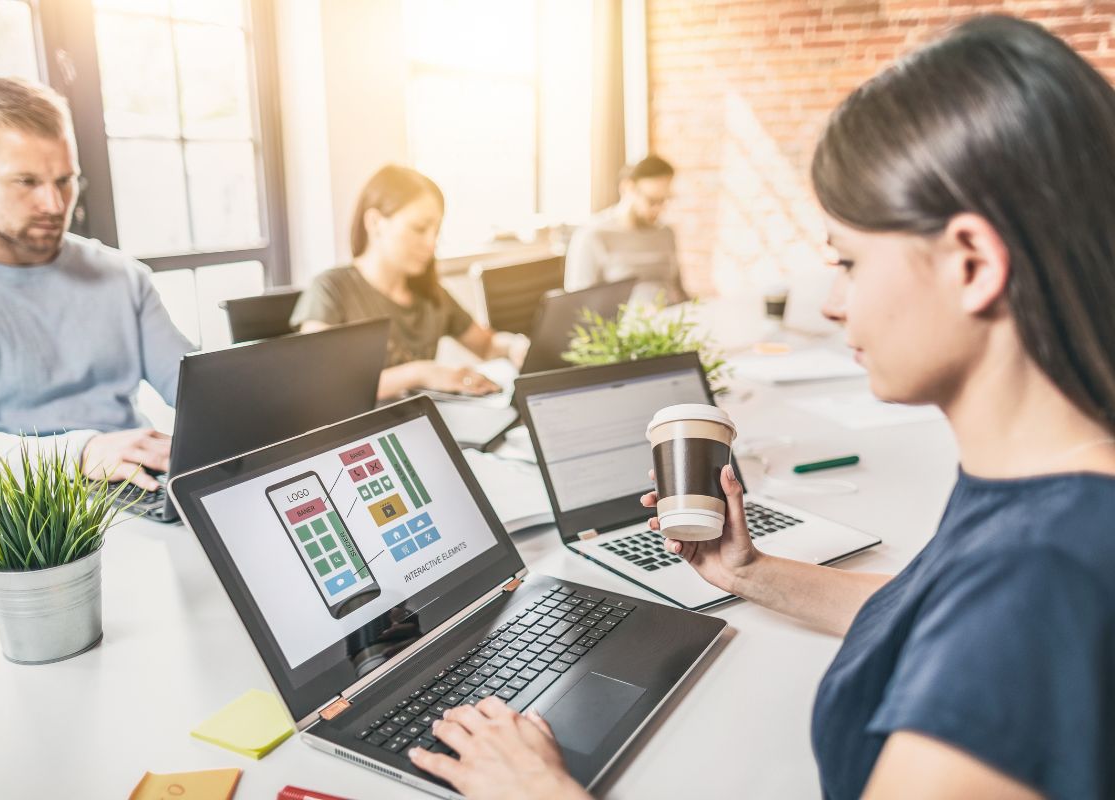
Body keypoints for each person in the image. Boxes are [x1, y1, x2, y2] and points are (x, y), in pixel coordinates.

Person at [406, 15, 1115, 800]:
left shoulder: (1042, 581)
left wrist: (537, 792)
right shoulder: (1046, 486)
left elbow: (990, 636)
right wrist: (749, 571)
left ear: (973, 264)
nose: (837, 302)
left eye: (848, 261)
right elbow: (928, 607)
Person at [0, 77, 193, 498]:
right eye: (26, 182)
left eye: (65, 180)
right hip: (20, 517)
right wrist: (83, 452)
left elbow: (195, 390)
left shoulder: (123, 276)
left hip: (138, 490)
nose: (56, 204)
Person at [291, 165, 525, 400]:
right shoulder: (330, 290)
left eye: (436, 232)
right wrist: (420, 373)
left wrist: (514, 345)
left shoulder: (431, 295)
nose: (431, 243)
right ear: (375, 223)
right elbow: (319, 385)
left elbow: (486, 345)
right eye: (419, 228)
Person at [564, 154, 685, 306]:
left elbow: (679, 291)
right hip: (621, 327)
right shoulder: (592, 235)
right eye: (652, 200)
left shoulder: (665, 233)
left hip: (670, 323)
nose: (659, 209)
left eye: (664, 200)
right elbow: (578, 306)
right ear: (627, 188)